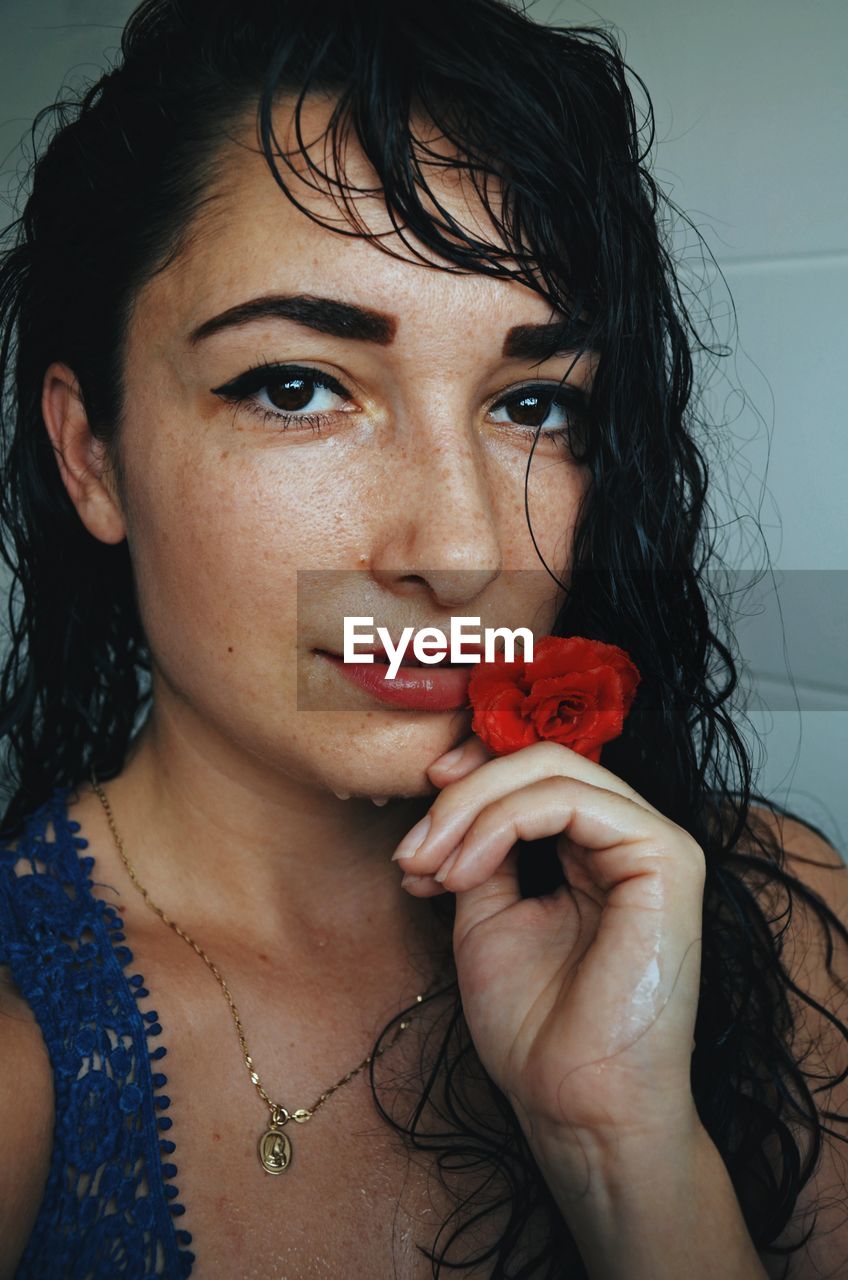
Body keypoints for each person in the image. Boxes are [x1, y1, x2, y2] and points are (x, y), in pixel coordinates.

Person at [0, 1, 845, 1277]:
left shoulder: (777, 928)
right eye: (297, 386)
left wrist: (626, 1154)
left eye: (529, 403)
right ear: (91, 453)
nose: (457, 551)